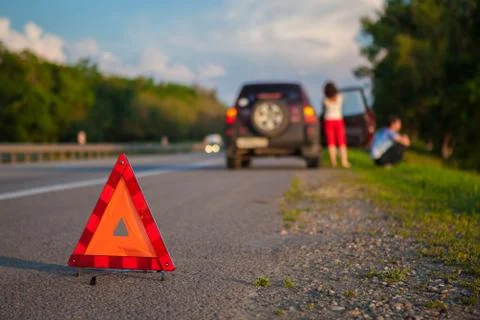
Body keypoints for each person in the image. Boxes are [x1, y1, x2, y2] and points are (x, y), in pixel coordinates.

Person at [323, 81, 350, 168]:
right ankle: (344, 161)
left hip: (328, 120)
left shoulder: (325, 100)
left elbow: (324, 108)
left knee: (331, 142)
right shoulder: (340, 98)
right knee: (342, 142)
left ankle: (333, 162)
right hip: (338, 120)